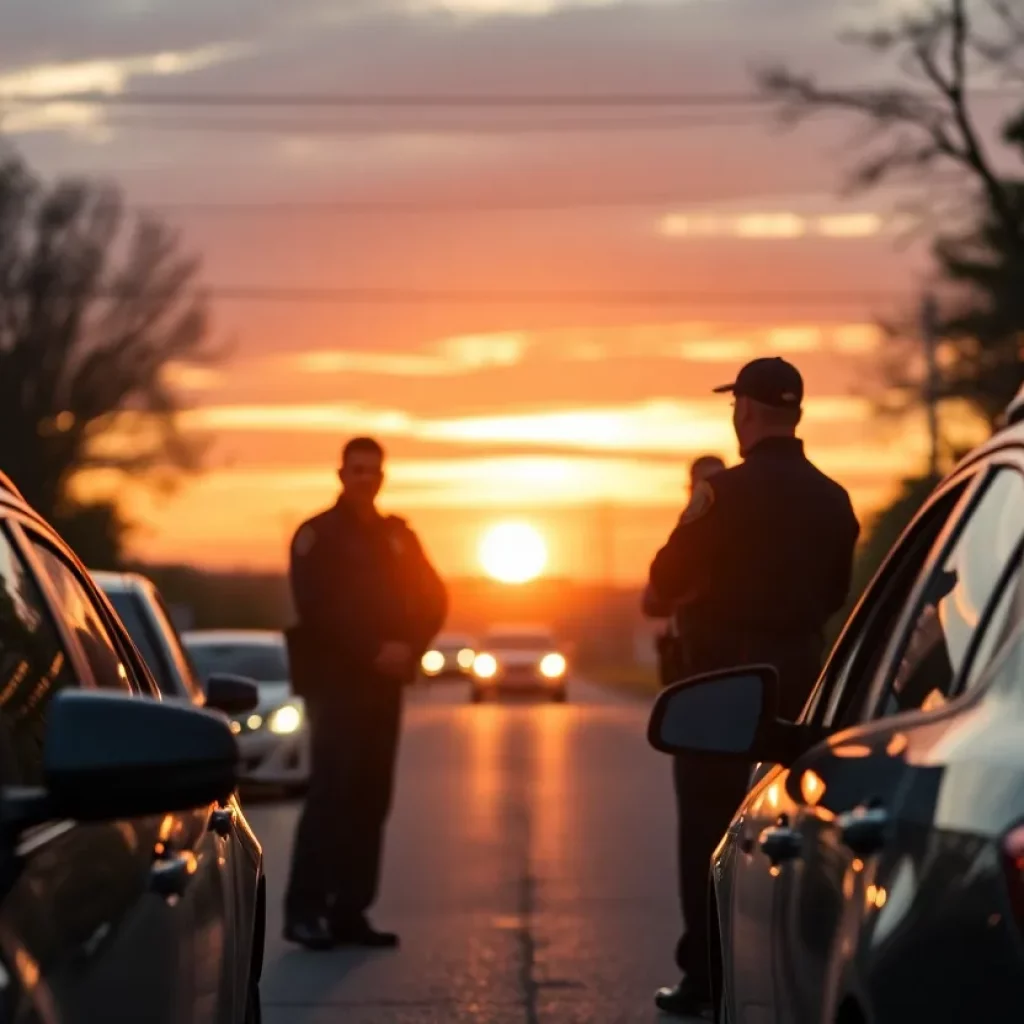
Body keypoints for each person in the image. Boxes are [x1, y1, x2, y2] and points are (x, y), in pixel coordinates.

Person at [644, 357, 860, 1017]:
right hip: (801, 680)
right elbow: (833, 594)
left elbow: (664, 576)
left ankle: (708, 978)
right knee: (795, 829)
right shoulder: (834, 497)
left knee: (708, 832)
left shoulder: (721, 494)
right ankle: (799, 968)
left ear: (744, 411)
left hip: (718, 680)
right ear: (794, 412)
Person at [283, 436, 447, 950]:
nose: (365, 479)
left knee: (371, 798)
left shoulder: (397, 537)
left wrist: (410, 647)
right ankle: (305, 911)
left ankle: (350, 912)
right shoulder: (317, 535)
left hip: (384, 686)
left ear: (383, 476)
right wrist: (373, 648)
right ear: (340, 474)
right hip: (336, 686)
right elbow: (317, 608)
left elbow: (434, 595)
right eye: (356, 470)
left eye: (373, 471)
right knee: (330, 795)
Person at [643, 454, 727, 686]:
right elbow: (652, 601)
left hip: (719, 658)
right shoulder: (687, 532)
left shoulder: (701, 531)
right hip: (692, 659)